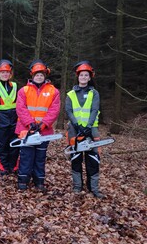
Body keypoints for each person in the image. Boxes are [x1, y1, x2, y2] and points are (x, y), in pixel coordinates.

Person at [16, 59, 60, 192]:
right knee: (26, 156)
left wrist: (43, 124)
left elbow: (54, 110)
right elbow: (21, 108)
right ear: (32, 75)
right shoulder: (23, 91)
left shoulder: (53, 91)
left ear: (45, 75)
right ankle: (23, 180)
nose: (39, 77)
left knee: (40, 158)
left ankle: (39, 181)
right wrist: (30, 124)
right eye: (37, 75)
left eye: (41, 74)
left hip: (43, 131)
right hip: (26, 130)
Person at [65, 61, 103, 198]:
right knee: (76, 158)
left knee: (93, 158)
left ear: (90, 77)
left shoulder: (94, 93)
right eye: (81, 75)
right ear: (78, 76)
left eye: (86, 75)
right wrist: (77, 125)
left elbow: (94, 109)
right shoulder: (70, 94)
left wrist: (87, 127)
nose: (83, 77)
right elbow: (68, 111)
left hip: (91, 129)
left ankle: (94, 188)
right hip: (74, 130)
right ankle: (77, 186)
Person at [0, 59, 20, 176]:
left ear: (10, 73)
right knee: (2, 144)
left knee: (14, 143)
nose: (5, 74)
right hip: (0, 118)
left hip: (14, 118)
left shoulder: (16, 86)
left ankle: (13, 166)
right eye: (3, 72)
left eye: (7, 72)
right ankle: (3, 167)